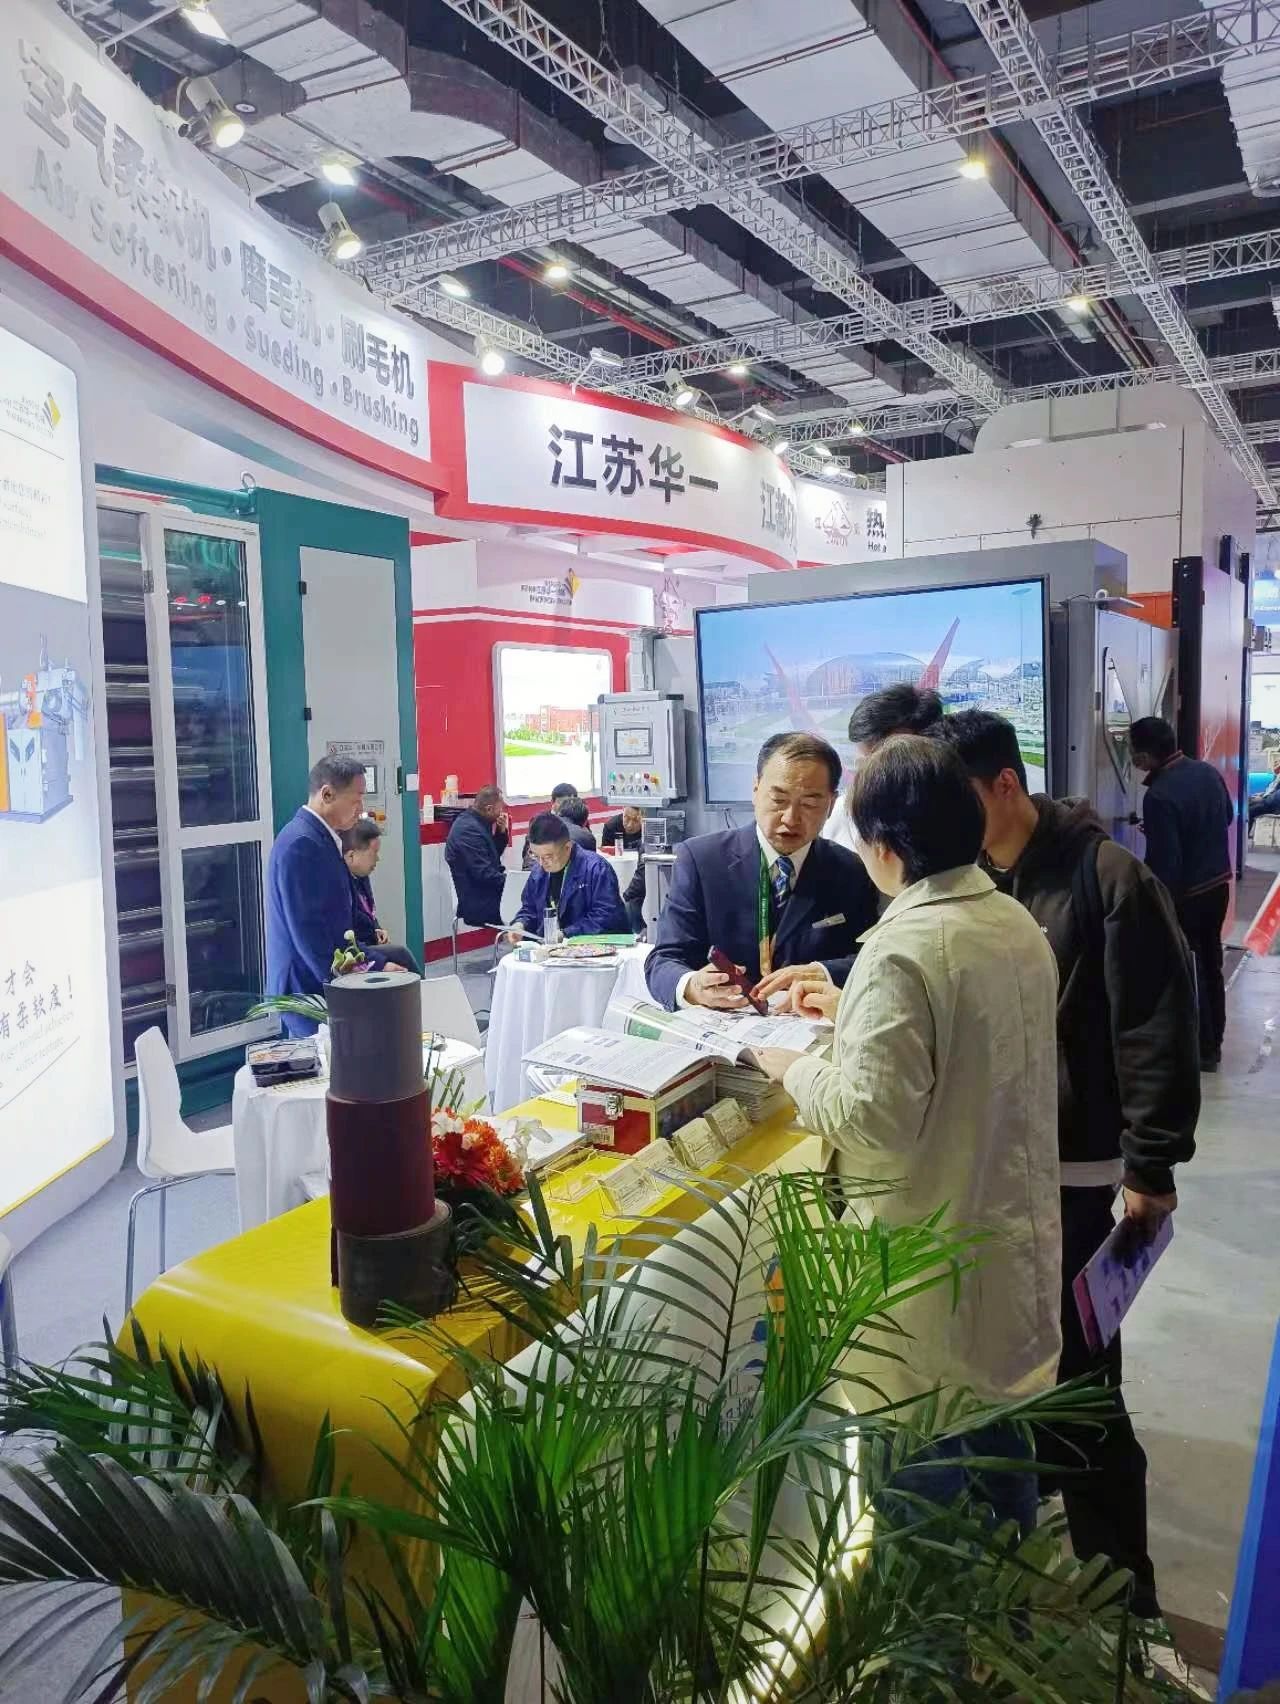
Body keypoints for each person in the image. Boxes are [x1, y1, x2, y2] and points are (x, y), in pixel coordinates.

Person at [752, 735, 1062, 1534]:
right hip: (1006, 1247)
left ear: (884, 848)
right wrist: (851, 1008)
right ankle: (1011, 1601)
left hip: (929, 1272)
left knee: (922, 1510)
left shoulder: (903, 947)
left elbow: (872, 1118)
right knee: (1002, 1470)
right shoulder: (1012, 920)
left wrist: (793, 1069)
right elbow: (965, 1042)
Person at [931, 709, 1198, 1616]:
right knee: (1018, 1379)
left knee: (1086, 1392)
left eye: (963, 801)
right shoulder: (974, 882)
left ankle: (1125, 1601)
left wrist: (1152, 1168)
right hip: (996, 1179)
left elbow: (1155, 1030)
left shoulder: (1107, 876)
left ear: (1006, 783)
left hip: (1080, 1183)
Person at [644, 732, 879, 1011]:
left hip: (810, 1024)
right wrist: (692, 986)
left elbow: (871, 960)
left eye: (809, 804)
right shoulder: (701, 860)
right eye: (778, 800)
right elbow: (663, 960)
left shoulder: (853, 871)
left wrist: (823, 973)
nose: (791, 818)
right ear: (755, 790)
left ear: (830, 805)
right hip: (722, 1025)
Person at [1130, 716, 1235, 1070]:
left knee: (1189, 968)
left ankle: (1201, 1048)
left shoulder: (1158, 796)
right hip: (1218, 886)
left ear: (1146, 755)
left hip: (1187, 896)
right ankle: (1214, 1042)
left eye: (1133, 752)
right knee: (1211, 963)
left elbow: (1167, 864)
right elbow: (1227, 816)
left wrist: (1156, 906)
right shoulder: (1206, 772)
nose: (1133, 760)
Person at [266, 756, 387, 1035]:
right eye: (356, 799)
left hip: (323, 973)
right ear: (327, 794)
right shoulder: (301, 844)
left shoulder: (323, 837)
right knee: (328, 1058)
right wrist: (350, 982)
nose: (361, 809)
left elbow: (340, 911)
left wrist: (374, 960)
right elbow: (309, 933)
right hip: (306, 985)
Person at [822, 683, 945, 852]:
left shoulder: (957, 808)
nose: (877, 772)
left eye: (893, 757)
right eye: (866, 762)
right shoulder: (844, 814)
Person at [509, 812, 628, 939]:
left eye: (548, 856)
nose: (541, 863)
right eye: (535, 856)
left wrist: (566, 934)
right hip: (552, 945)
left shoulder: (596, 869)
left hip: (595, 943)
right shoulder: (538, 873)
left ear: (567, 847)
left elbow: (606, 916)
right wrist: (520, 924)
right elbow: (530, 909)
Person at [342, 817, 422, 976]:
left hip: (370, 942)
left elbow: (368, 911)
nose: (378, 859)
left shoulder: (362, 877)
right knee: (399, 954)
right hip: (355, 951)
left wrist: (376, 928)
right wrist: (380, 963)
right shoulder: (340, 886)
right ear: (351, 856)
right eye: (374, 853)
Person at [444, 785, 510, 929]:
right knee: (532, 905)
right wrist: (514, 883)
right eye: (499, 809)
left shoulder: (476, 822)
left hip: (485, 892)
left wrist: (501, 832)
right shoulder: (469, 830)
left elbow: (491, 856)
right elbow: (484, 873)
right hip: (479, 901)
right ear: (489, 809)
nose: (501, 813)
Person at [602, 805, 647, 934]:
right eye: (626, 818)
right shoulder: (611, 826)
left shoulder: (647, 832)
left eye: (635, 820)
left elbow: (641, 876)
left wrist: (626, 896)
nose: (630, 825)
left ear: (643, 818)